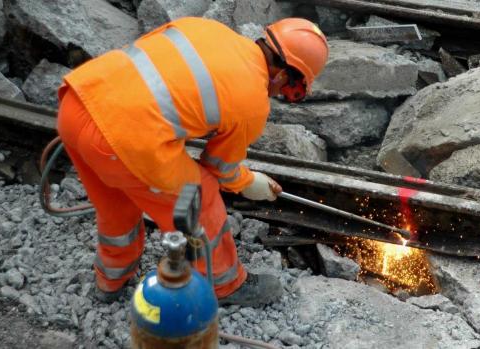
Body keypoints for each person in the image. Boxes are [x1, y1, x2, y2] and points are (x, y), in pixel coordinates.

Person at [56, 16, 328, 306]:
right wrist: (249, 182)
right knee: (200, 194)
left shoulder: (208, 28)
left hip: (77, 103)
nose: (279, 95)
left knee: (116, 205)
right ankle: (224, 285)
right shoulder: (252, 101)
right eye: (288, 90)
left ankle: (109, 281)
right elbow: (219, 167)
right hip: (121, 140)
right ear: (283, 75)